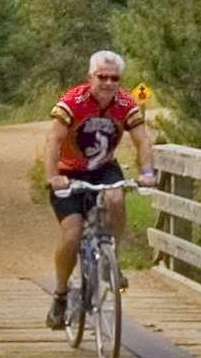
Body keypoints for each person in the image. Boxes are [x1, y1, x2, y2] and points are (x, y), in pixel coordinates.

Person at [44, 49, 151, 329]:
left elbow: (142, 140)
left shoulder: (125, 103)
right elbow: (53, 141)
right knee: (73, 232)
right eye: (102, 77)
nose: (108, 83)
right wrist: (53, 176)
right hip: (69, 171)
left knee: (116, 197)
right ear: (90, 77)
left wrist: (148, 172)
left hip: (103, 168)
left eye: (114, 78)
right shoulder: (73, 102)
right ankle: (61, 294)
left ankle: (111, 259)